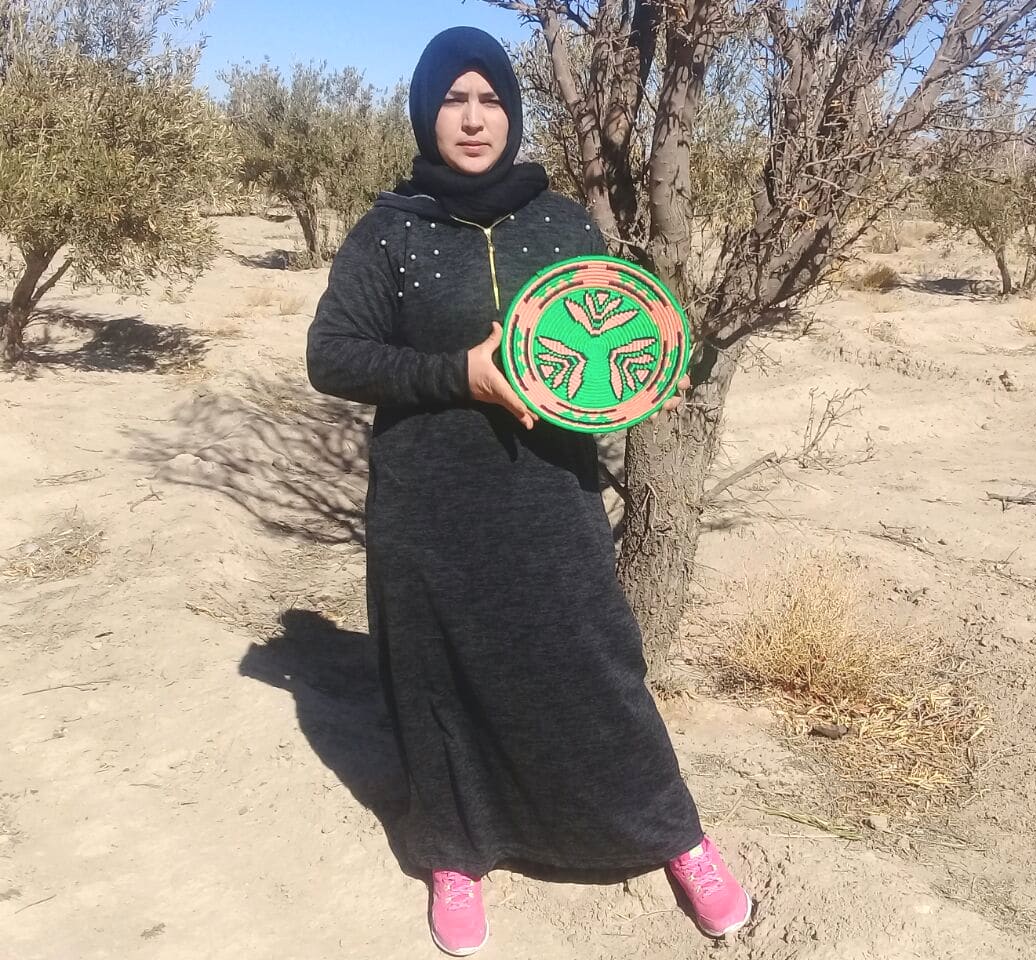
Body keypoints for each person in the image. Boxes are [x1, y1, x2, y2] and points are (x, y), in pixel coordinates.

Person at [306, 26, 751, 957]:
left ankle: (675, 837)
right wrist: (459, 374)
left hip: (550, 493)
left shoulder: (560, 222)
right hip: (426, 503)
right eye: (455, 100)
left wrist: (661, 367)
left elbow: (615, 334)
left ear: (513, 112)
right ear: (427, 112)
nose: (474, 119)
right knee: (437, 679)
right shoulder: (390, 230)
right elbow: (333, 356)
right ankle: (455, 853)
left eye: (492, 100)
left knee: (594, 667)